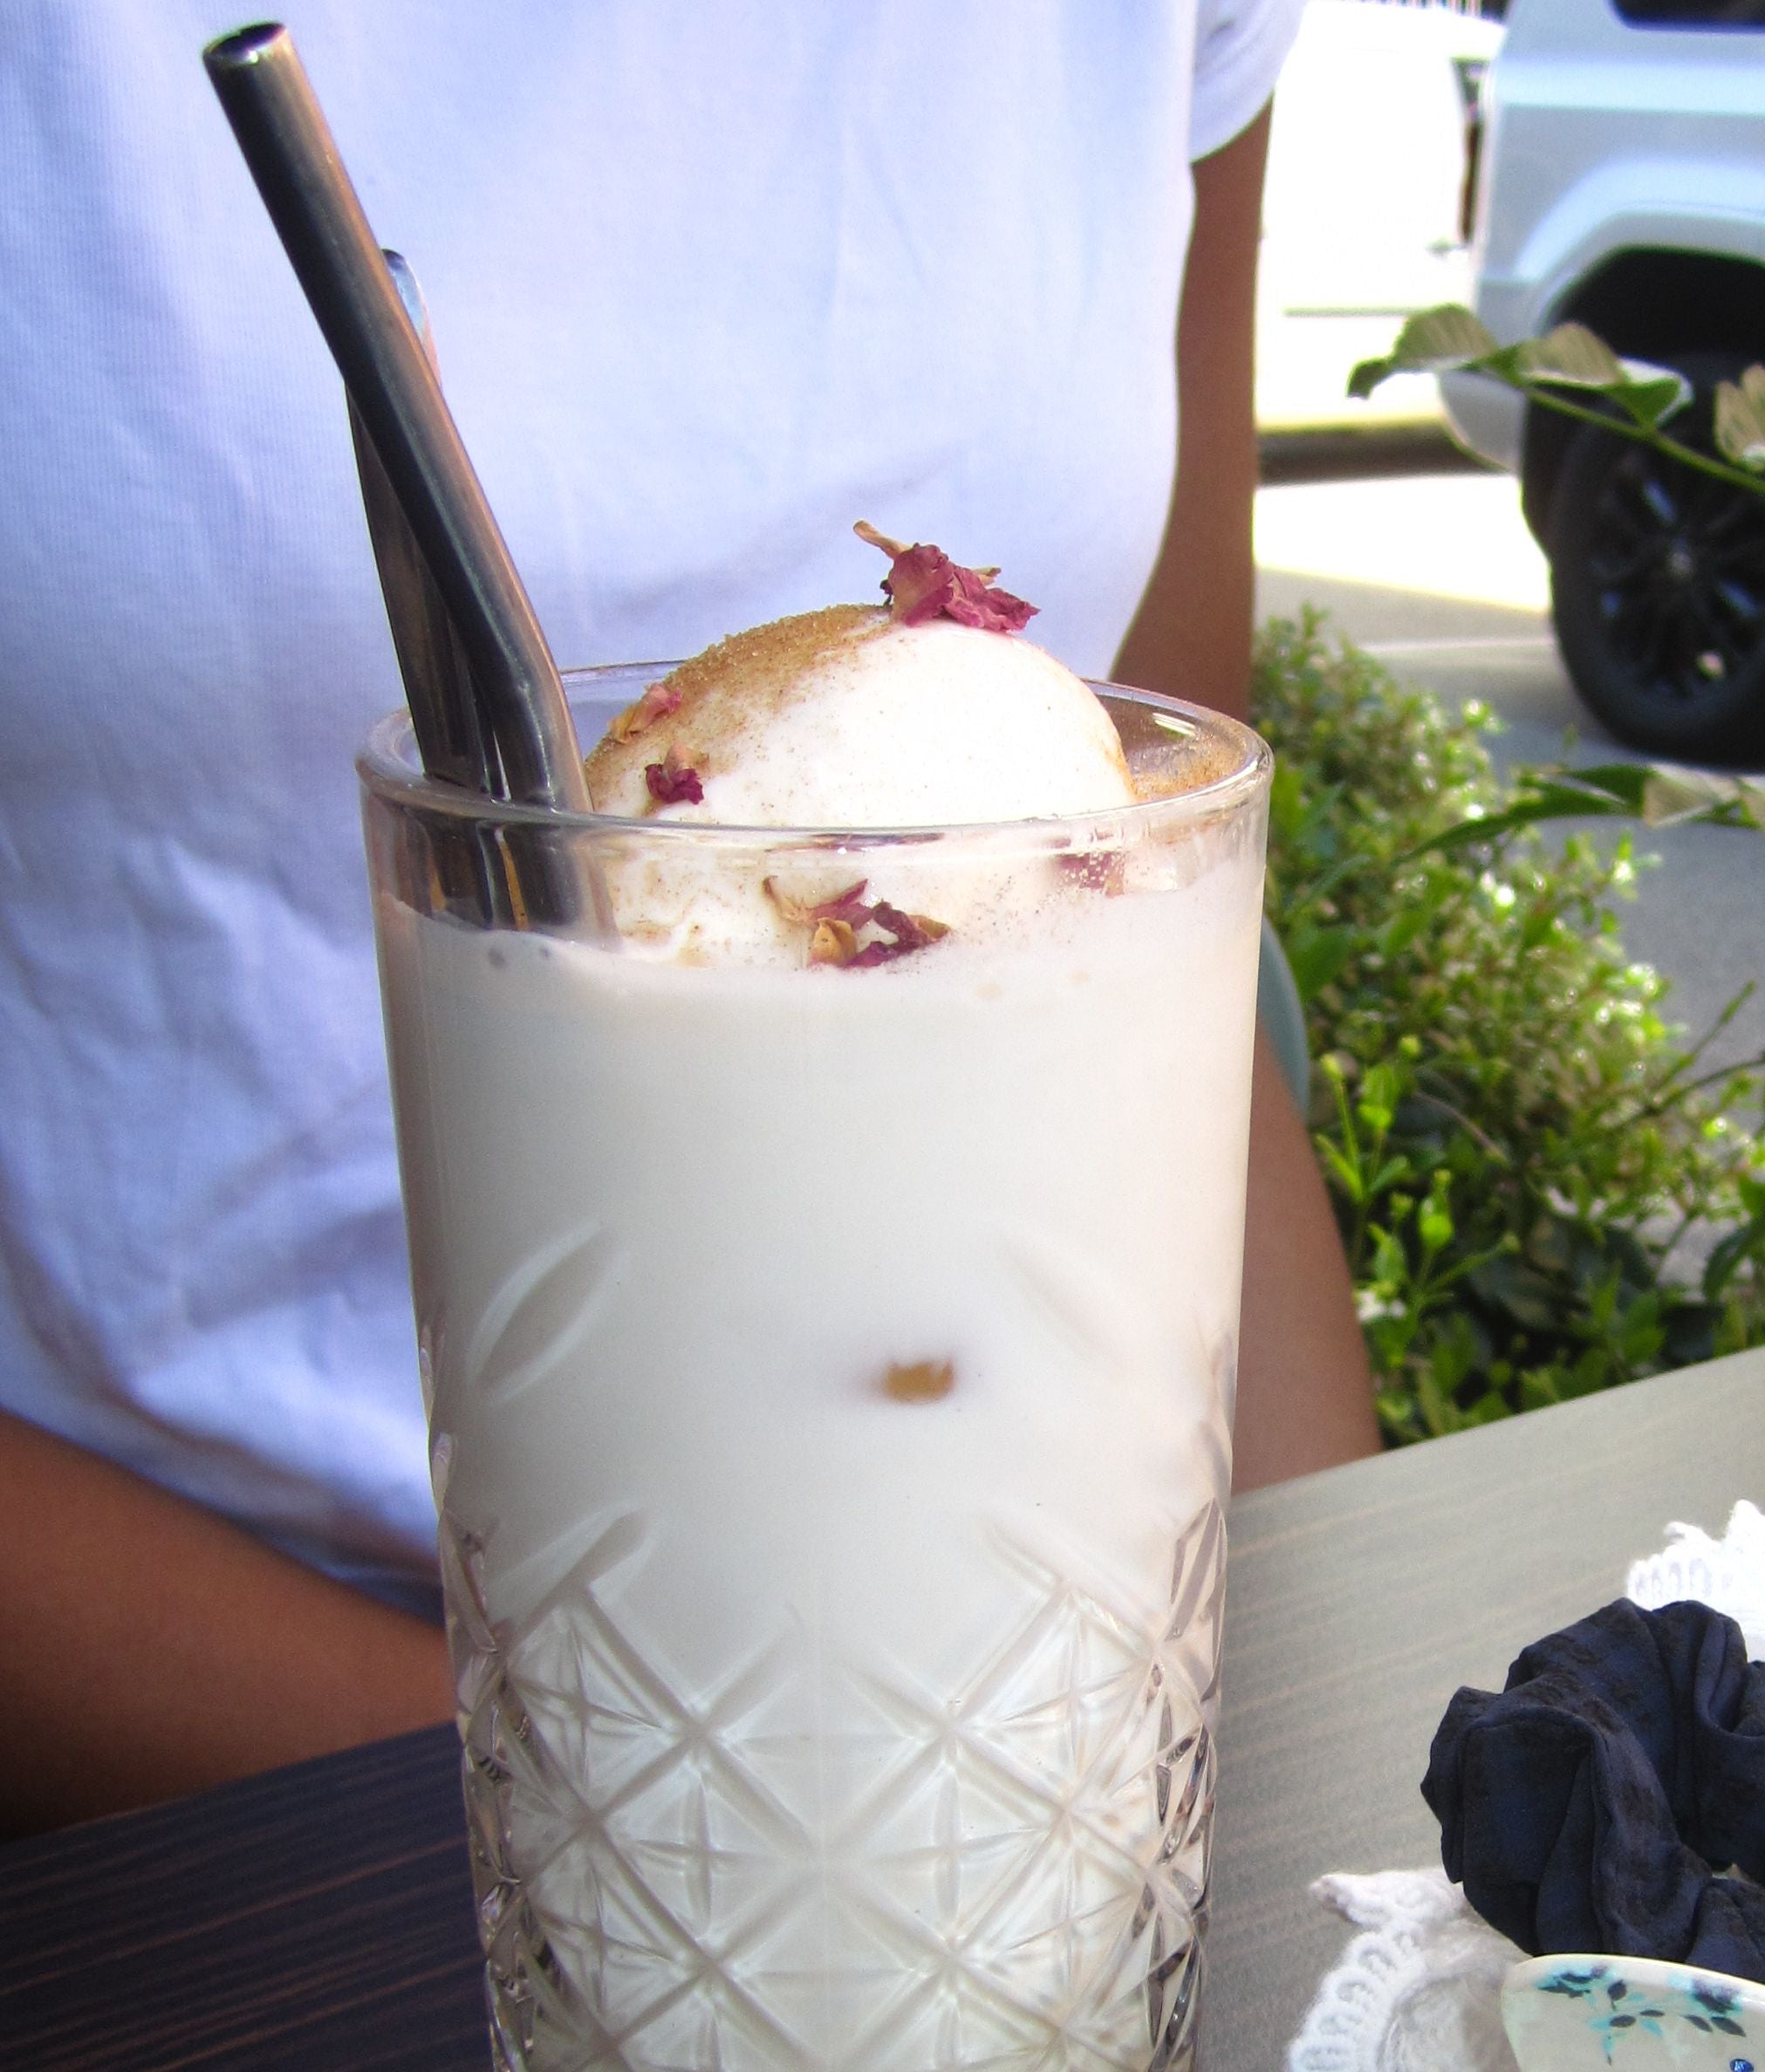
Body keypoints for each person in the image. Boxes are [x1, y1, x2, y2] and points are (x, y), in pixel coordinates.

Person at [0, 2, 1382, 1836]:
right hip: (201, 1788)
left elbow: (1166, 934)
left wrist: (1304, 1769)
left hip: (1027, 1720)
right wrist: (627, 1802)